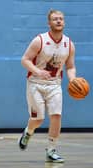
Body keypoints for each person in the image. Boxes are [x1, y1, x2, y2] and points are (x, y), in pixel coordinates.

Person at [18, 9, 76, 163]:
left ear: (64, 22)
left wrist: (73, 80)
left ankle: (51, 150)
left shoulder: (69, 44)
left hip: (55, 85)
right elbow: (25, 60)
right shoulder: (40, 40)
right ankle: (28, 132)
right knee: (38, 119)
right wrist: (37, 71)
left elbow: (70, 67)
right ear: (49, 23)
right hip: (35, 84)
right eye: (55, 19)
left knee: (56, 116)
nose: (58, 21)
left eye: (61, 19)